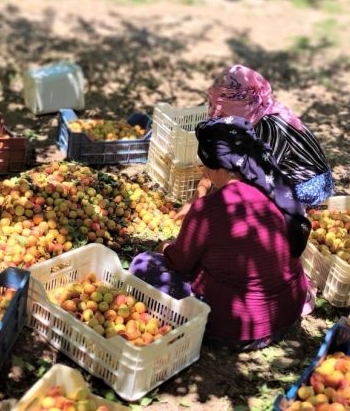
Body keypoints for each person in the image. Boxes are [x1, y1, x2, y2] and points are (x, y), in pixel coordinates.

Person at [129, 115, 313, 351]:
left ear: (214, 168)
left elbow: (179, 262)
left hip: (236, 329)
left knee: (144, 264)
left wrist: (165, 246)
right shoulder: (274, 188)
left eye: (203, 165)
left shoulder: (208, 210)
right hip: (286, 312)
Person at [176, 64, 334, 219]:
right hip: (278, 173)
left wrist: (213, 206)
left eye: (223, 113)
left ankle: (308, 213)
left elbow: (259, 179)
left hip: (307, 188)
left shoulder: (269, 129)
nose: (218, 116)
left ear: (239, 109)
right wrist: (198, 195)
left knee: (249, 213)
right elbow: (218, 159)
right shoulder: (251, 116)